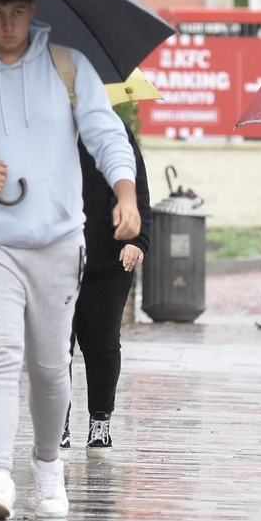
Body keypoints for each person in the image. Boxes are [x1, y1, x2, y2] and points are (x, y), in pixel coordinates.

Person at [0, 0, 140, 521]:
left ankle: (47, 467)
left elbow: (106, 135)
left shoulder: (69, 68)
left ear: (34, 10)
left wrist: (126, 192)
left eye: (18, 11)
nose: (8, 23)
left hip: (58, 241)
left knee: (49, 367)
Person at [60, 119, 152, 452]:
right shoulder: (43, 128)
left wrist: (139, 241)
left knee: (102, 344)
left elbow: (138, 190)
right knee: (56, 347)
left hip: (110, 256)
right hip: (56, 256)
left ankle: (101, 422)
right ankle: (59, 423)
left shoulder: (113, 130)